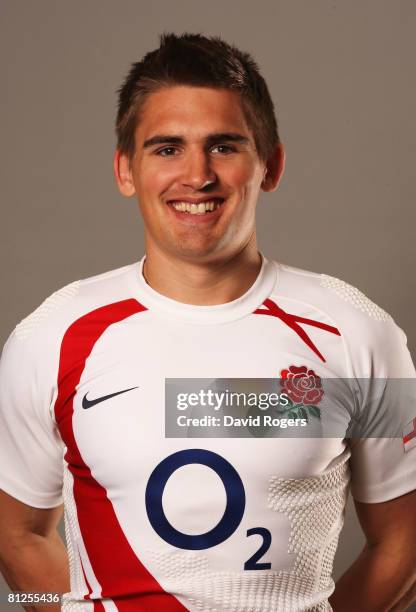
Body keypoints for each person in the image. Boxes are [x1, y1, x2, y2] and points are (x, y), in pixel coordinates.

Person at [0, 32, 415, 612]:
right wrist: (59, 606)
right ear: (125, 170)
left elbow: (405, 541)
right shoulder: (49, 336)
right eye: (167, 148)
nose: (197, 176)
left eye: (224, 147)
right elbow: (17, 534)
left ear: (270, 165)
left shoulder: (363, 332)